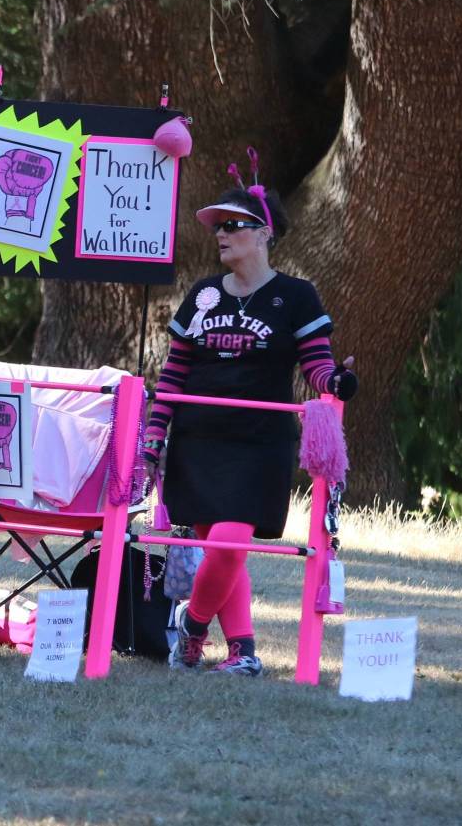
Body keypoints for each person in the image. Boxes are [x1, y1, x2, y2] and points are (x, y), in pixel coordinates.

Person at [143, 157, 357, 676]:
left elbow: (316, 364)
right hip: (199, 437)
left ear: (263, 233)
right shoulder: (202, 295)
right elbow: (174, 373)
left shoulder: (296, 296)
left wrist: (335, 383)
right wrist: (154, 433)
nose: (221, 234)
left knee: (231, 541)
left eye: (233, 225)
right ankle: (243, 652)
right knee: (221, 547)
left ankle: (191, 632)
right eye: (218, 226)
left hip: (260, 441)